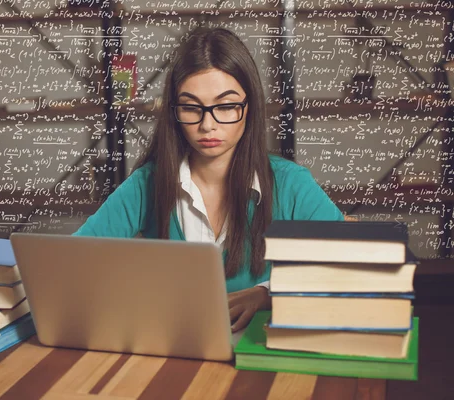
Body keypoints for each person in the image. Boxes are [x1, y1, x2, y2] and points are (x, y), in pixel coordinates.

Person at [72, 27, 343, 332]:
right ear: (174, 112)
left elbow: (348, 268)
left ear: (249, 108)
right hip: (174, 347)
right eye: (191, 107)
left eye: (226, 106)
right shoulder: (147, 183)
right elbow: (74, 263)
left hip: (258, 354)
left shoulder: (292, 184)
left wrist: (266, 294)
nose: (207, 125)